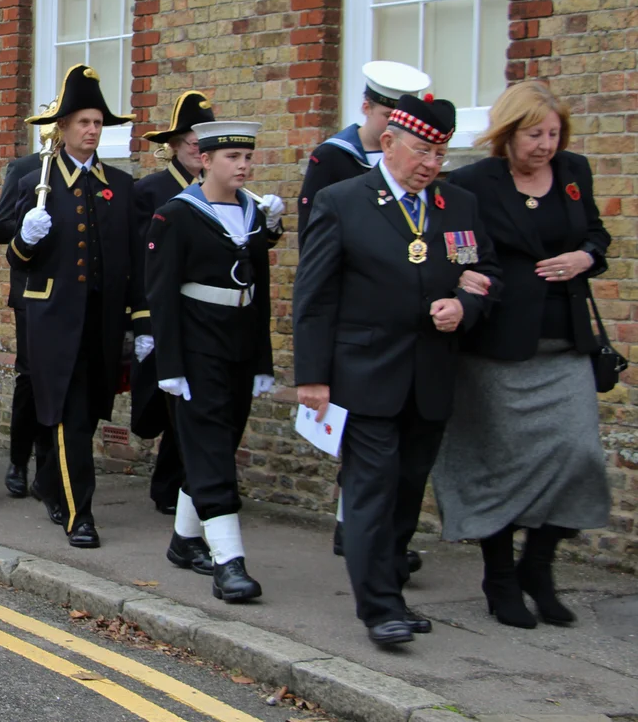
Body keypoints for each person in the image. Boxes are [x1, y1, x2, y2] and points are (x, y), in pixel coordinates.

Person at [294, 94, 501, 647]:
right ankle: (379, 609)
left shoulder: (458, 205)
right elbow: (314, 295)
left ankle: (392, 592)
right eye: (421, 151)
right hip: (364, 372)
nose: (431, 164)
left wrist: (465, 304)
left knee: (407, 491)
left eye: (440, 153)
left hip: (430, 374)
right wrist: (312, 376)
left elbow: (484, 272)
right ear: (388, 142)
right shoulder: (343, 201)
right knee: (371, 490)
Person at [436, 81, 611, 628]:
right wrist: (465, 285)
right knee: (499, 466)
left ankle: (537, 565)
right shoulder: (472, 183)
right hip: (497, 348)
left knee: (579, 455)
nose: (546, 145)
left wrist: (585, 258)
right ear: (508, 133)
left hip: (565, 346)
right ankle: (500, 579)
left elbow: (598, 235)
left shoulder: (574, 173)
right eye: (535, 134)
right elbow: (455, 251)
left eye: (554, 134)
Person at [145, 120, 283, 599]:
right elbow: (161, 294)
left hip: (239, 344)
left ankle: (185, 541)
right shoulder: (176, 215)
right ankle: (230, 561)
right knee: (212, 451)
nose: (243, 166)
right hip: (196, 345)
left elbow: (259, 290)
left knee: (216, 445)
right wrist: (169, 366)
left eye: (248, 157)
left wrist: (263, 359)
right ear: (205, 160)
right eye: (232, 157)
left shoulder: (252, 213)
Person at [9, 68, 140, 547]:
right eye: (83, 121)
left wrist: (139, 320)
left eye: (97, 122)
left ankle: (51, 482)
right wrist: (27, 238)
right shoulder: (38, 183)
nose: (92, 130)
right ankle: (79, 515)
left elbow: (132, 260)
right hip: (55, 321)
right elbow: (17, 258)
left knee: (86, 413)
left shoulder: (120, 186)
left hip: (102, 323)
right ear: (62, 127)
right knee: (70, 414)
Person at [131, 90, 217, 517]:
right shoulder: (152, 190)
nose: (200, 152)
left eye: (205, 145)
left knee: (195, 405)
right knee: (169, 408)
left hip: (204, 315)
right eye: (194, 144)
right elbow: (139, 261)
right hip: (164, 312)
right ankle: (170, 486)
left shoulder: (219, 191)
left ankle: (182, 485)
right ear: (176, 145)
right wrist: (143, 322)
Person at [298, 62, 431, 244]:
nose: (396, 125)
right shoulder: (333, 155)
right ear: (366, 107)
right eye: (388, 116)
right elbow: (312, 226)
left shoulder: (414, 156)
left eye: (404, 119)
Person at [0, 128, 48, 500]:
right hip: (31, 290)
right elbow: (1, 228)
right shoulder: (25, 168)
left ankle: (47, 468)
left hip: (69, 294)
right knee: (29, 378)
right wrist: (29, 224)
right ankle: (18, 461)